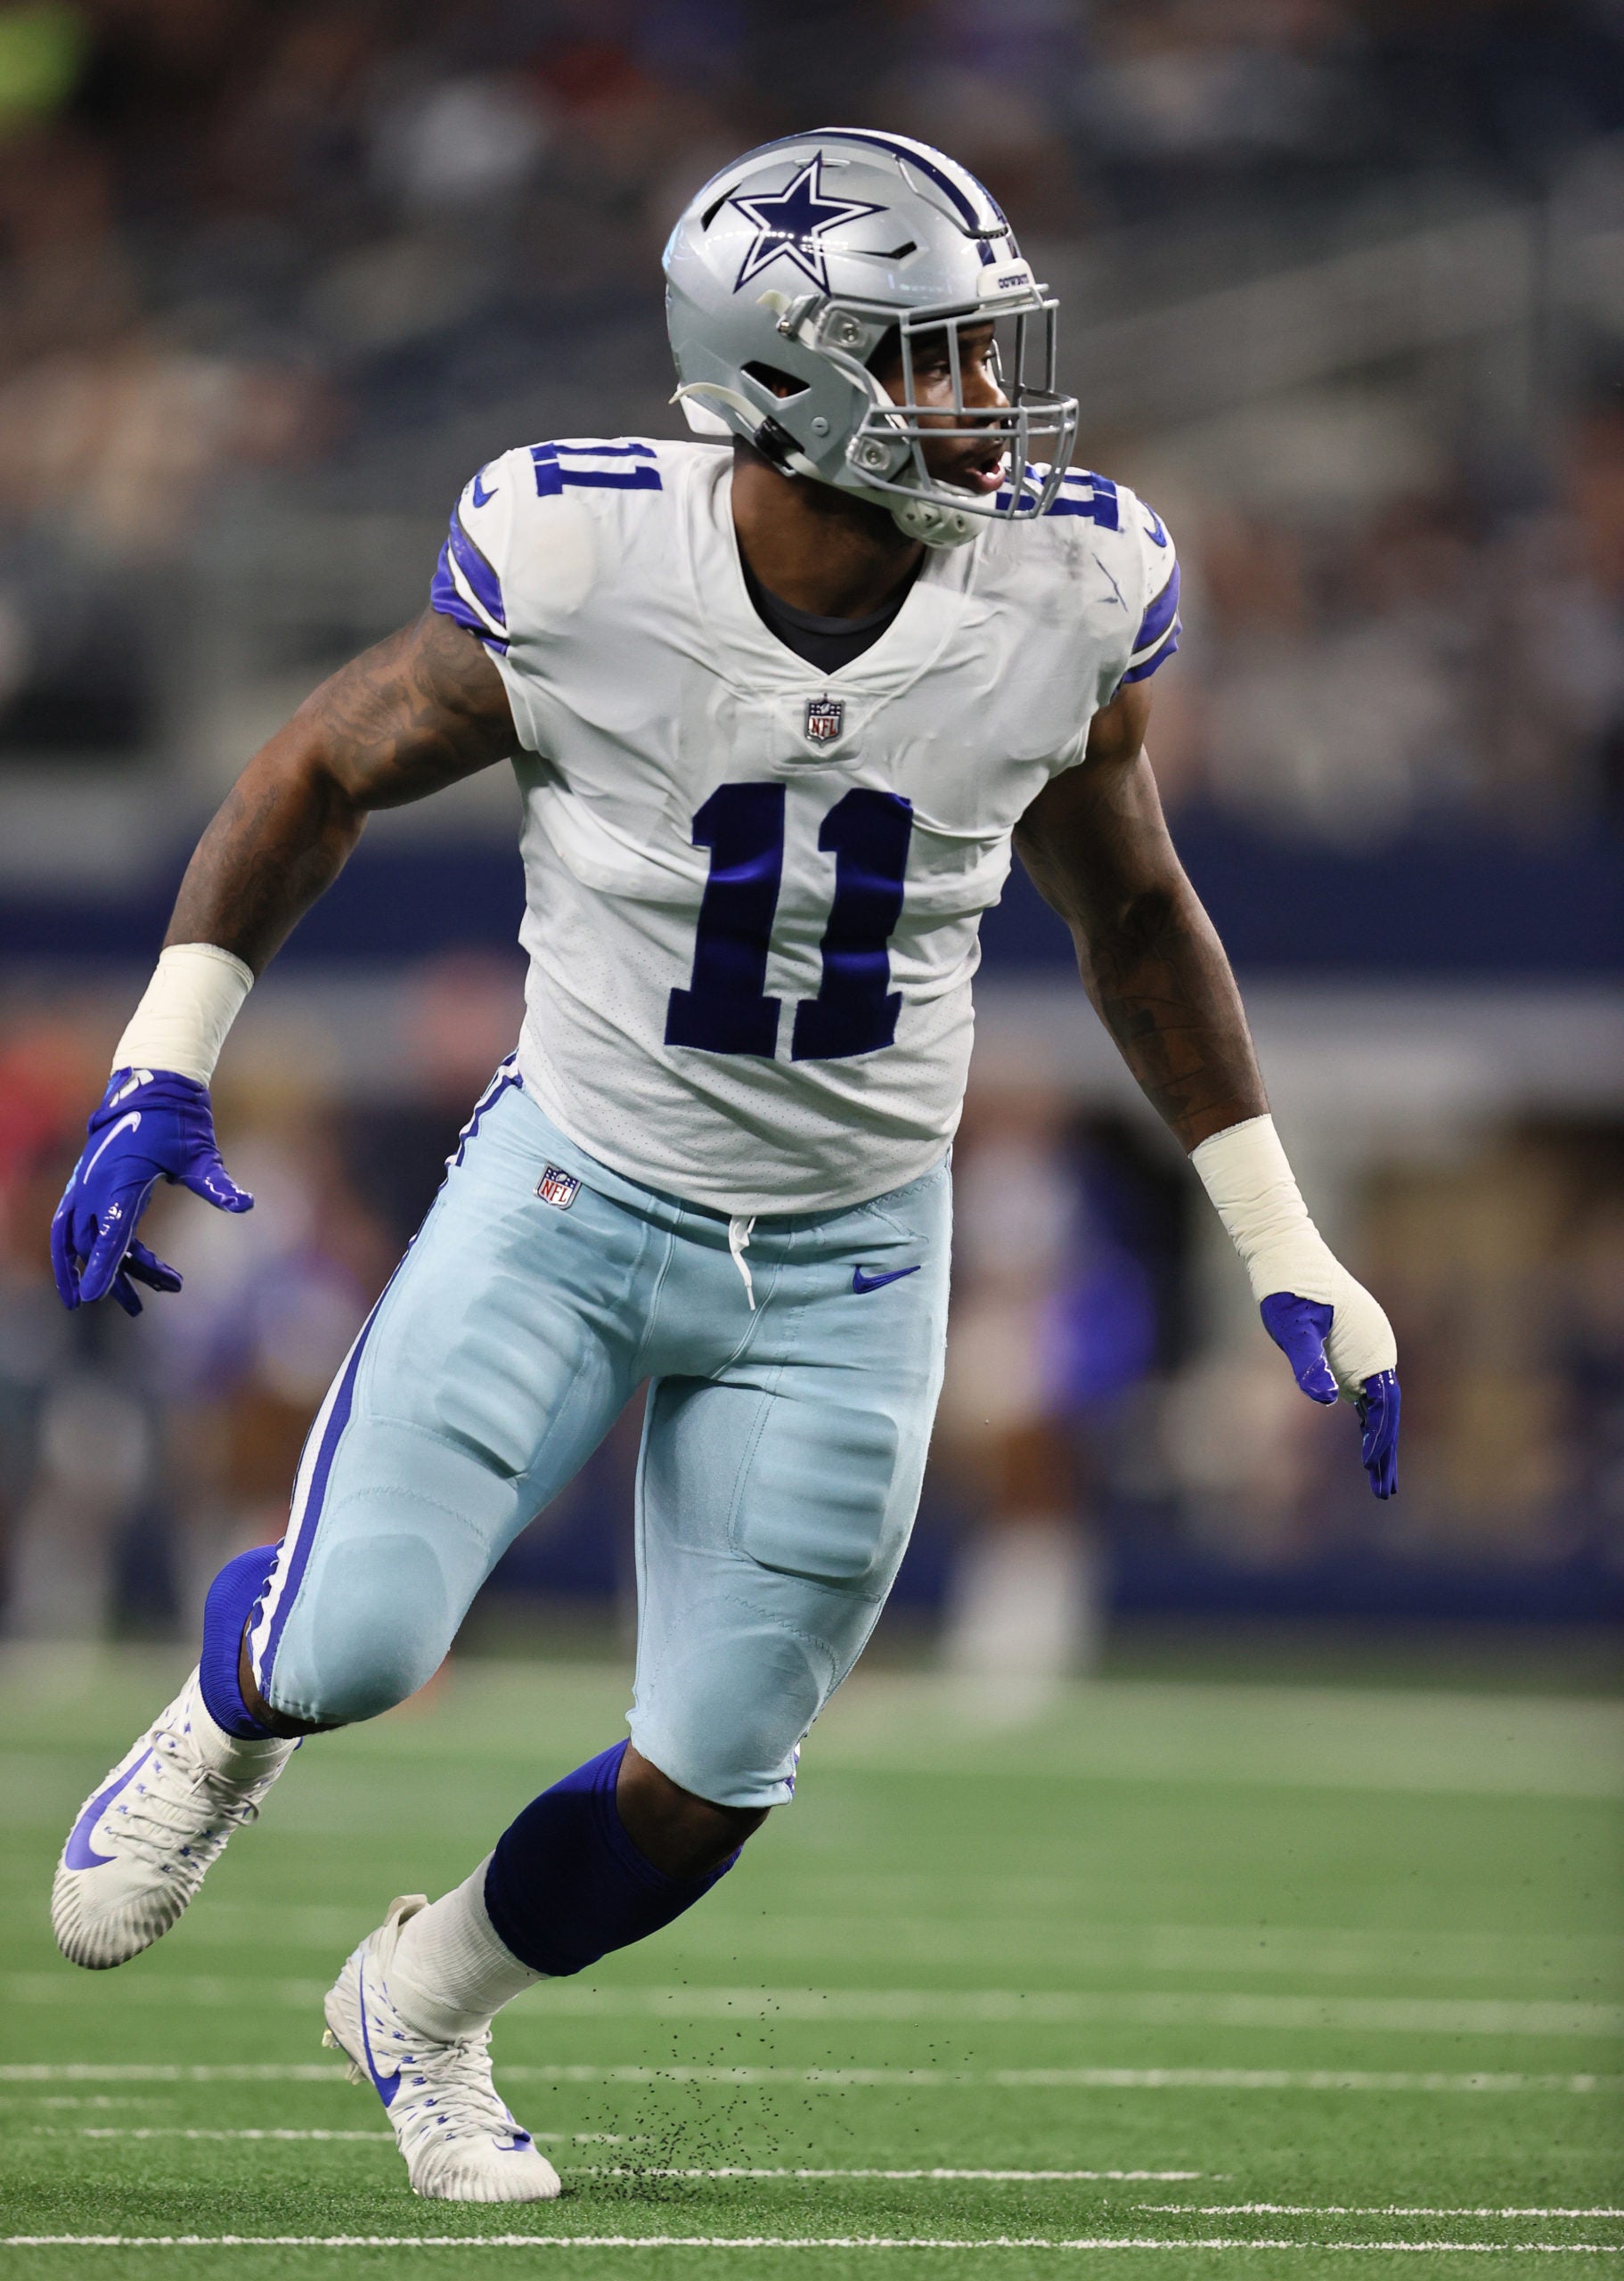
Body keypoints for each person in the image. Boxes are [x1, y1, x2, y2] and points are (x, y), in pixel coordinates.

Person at [46, 130, 1400, 2205]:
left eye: (984, 353)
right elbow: (316, 762)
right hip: (578, 1188)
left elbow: (1133, 912)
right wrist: (166, 1057)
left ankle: (421, 2003)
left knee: (707, 1789)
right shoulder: (583, 555)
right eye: (932, 359)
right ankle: (229, 1728)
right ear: (783, 374)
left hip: (857, 1245)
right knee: (353, 1652)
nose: (989, 402)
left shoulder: (1070, 584)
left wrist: (1281, 1233)